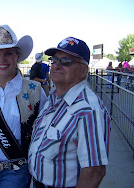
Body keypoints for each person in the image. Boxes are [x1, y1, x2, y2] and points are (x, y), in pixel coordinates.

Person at [28, 36, 111, 188]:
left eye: (66, 61)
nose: (57, 65)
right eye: (54, 60)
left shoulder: (88, 109)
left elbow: (94, 171)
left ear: (83, 70)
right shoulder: (54, 98)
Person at [0, 24, 47, 188]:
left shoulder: (35, 90)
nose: (2, 59)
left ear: (17, 56)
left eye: (8, 53)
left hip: (17, 170)